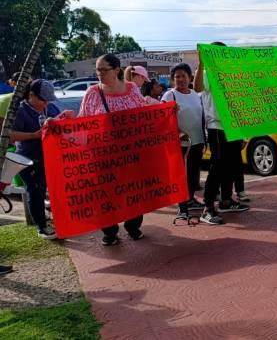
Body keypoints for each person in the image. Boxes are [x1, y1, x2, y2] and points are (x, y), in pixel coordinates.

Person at [79, 54, 149, 245]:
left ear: (117, 70)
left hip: (130, 155)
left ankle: (133, 226)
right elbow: (82, 122)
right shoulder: (92, 93)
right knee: (106, 196)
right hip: (103, 158)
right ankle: (109, 232)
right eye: (97, 70)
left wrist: (166, 112)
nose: (99, 74)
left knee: (133, 192)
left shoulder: (133, 89)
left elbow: (145, 116)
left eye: (104, 70)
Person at [194, 42, 249, 224]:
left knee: (232, 166)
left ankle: (226, 200)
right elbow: (197, 88)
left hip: (233, 127)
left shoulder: (232, 75)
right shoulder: (207, 72)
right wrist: (201, 63)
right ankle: (208, 207)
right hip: (217, 127)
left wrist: (242, 131)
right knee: (217, 167)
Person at [11, 80, 73, 239]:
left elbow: (58, 123)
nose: (45, 103)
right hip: (28, 159)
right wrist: (33, 135)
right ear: (31, 95)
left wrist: (64, 119)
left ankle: (58, 218)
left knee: (53, 188)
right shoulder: (20, 111)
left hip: (49, 157)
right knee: (35, 190)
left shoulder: (50, 107)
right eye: (42, 99)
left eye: (48, 100)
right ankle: (42, 225)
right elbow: (9, 135)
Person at [161, 63, 209, 218]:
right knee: (181, 176)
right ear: (172, 79)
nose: (180, 79)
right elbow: (162, 119)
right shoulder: (170, 95)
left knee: (193, 174)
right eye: (177, 76)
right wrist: (178, 132)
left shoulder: (196, 94)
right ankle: (182, 207)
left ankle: (190, 199)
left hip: (197, 141)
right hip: (180, 144)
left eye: (184, 76)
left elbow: (200, 116)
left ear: (190, 78)